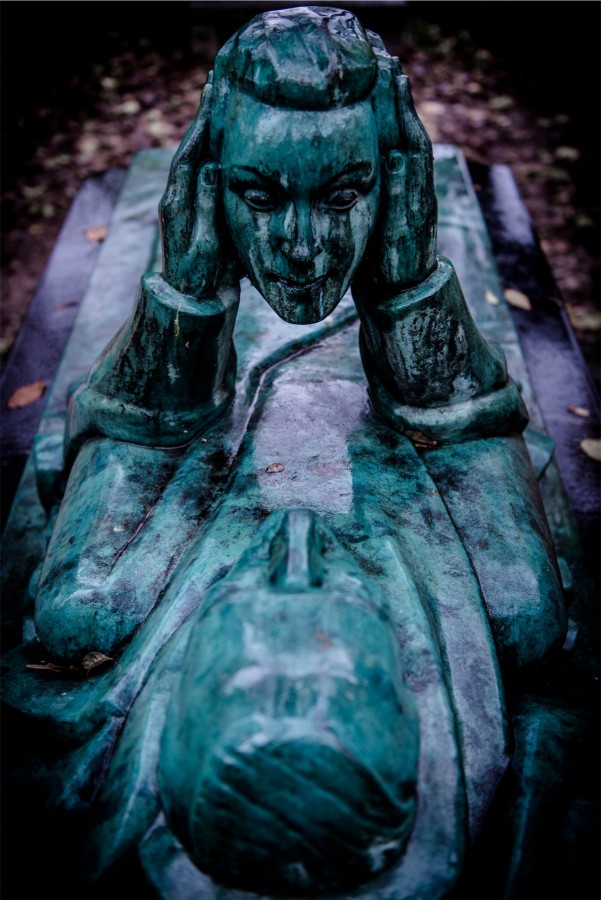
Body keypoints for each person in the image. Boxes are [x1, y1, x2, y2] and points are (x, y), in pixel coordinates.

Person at [28, 8, 567, 894]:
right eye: (263, 196)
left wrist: (194, 297)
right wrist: (394, 283)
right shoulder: (473, 624)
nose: (305, 248)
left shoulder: (103, 610)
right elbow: (521, 604)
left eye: (345, 194)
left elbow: (79, 586)